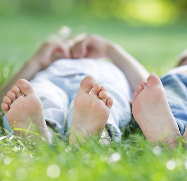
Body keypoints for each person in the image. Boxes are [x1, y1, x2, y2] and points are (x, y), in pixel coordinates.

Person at [1, 31, 149, 144]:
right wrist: (37, 60)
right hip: (52, 81)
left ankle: (96, 133)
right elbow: (3, 97)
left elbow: (148, 87)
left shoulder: (108, 66)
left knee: (104, 99)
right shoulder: (48, 66)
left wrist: (109, 49)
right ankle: (41, 133)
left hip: (101, 82)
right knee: (41, 95)